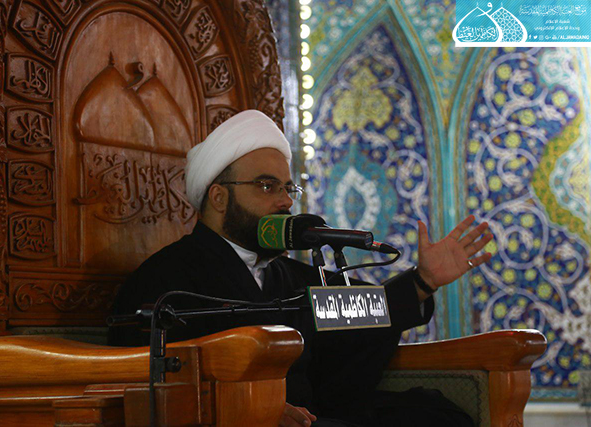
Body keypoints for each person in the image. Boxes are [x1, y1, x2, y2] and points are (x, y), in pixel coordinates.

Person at [110, 110, 492, 426]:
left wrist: (423, 281)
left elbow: (361, 321)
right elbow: (147, 383)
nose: (285, 202)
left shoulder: (293, 277)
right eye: (267, 186)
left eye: (287, 189)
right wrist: (248, 409)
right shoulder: (165, 279)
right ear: (219, 197)